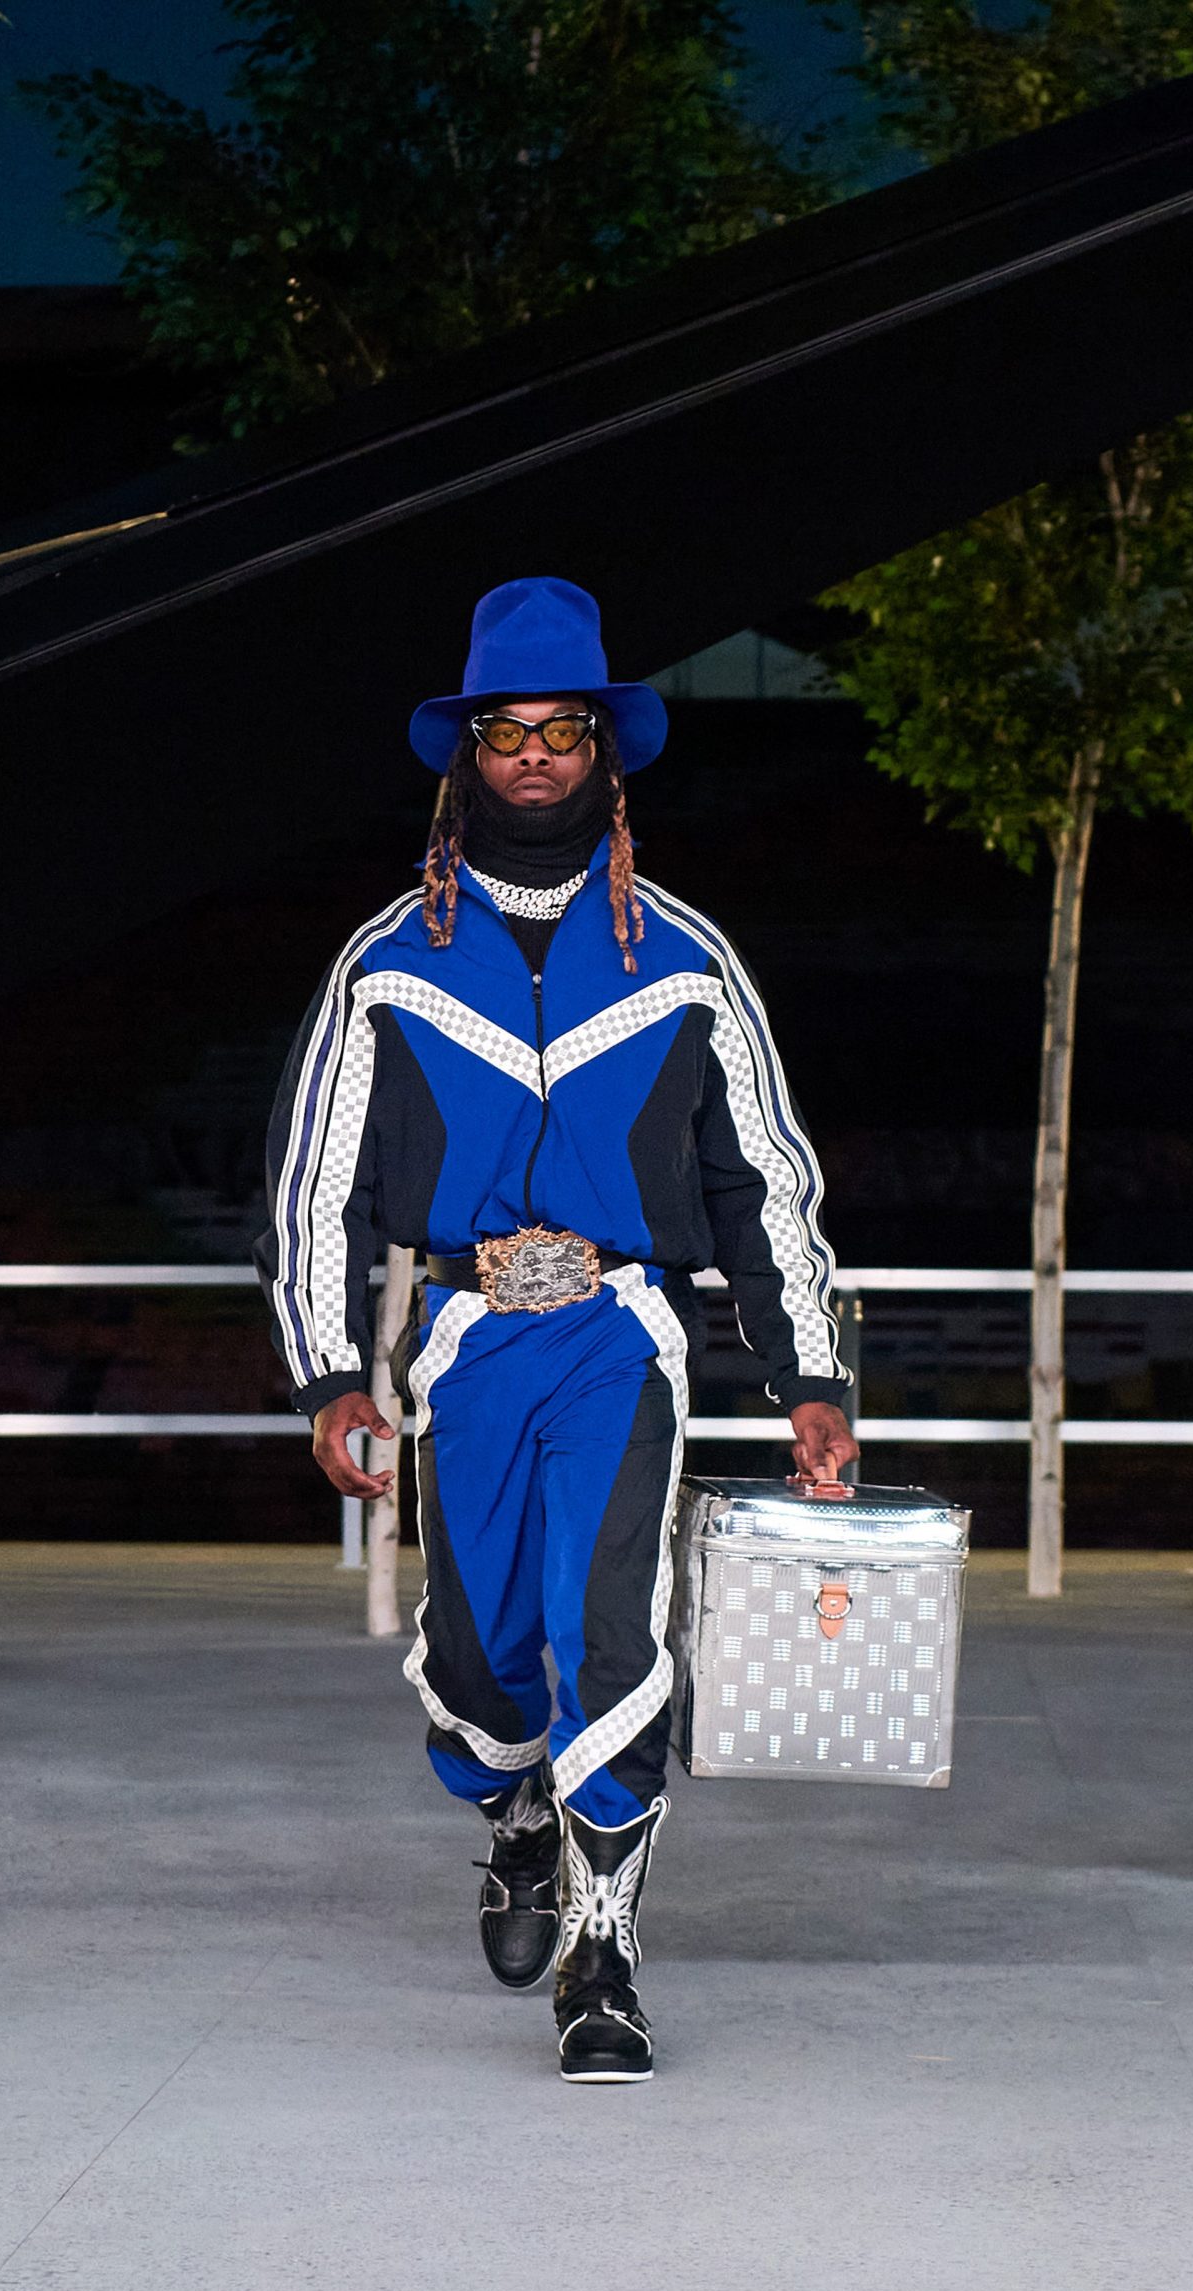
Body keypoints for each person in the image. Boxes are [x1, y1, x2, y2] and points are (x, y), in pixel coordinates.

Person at [260, 577, 856, 2084]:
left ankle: (605, 1957)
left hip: (621, 1333)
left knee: (608, 1627)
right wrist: (328, 1375)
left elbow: (761, 1177)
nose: (535, 756)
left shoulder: (688, 959)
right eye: (507, 732)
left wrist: (809, 1373)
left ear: (606, 751)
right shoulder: (388, 962)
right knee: (478, 1666)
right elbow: (315, 1182)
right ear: (466, 756)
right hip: (465, 1340)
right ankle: (515, 1812)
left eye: (562, 731)